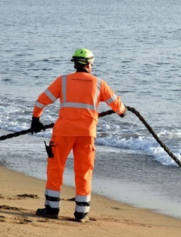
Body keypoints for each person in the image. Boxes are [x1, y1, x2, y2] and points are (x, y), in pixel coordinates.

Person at [30, 48, 127, 222]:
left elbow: (41, 100)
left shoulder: (63, 81)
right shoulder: (99, 83)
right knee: (84, 171)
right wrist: (123, 111)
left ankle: (52, 209)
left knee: (55, 168)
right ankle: (81, 213)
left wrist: (35, 119)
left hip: (63, 133)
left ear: (74, 63)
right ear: (90, 64)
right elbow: (118, 107)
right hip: (86, 135)